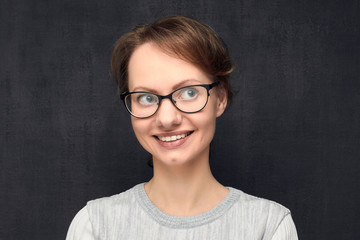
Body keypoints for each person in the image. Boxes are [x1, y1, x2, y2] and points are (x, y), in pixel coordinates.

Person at [66, 15, 298, 240]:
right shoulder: (94, 226)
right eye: (146, 97)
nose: (167, 119)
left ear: (220, 99)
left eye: (189, 92)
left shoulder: (269, 226)